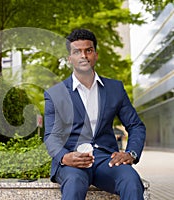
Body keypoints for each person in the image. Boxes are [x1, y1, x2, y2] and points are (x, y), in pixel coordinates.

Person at [44, 29, 146, 200]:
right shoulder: (55, 94)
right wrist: (64, 157)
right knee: (75, 182)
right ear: (70, 58)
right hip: (72, 160)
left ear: (95, 55)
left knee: (131, 179)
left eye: (88, 50)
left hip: (106, 159)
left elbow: (135, 125)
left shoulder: (115, 89)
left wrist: (131, 153)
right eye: (77, 51)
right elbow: (51, 136)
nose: (83, 56)